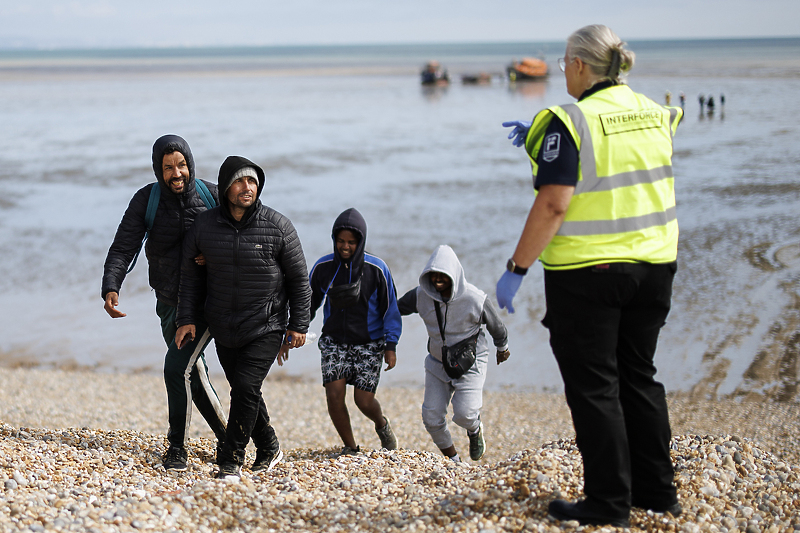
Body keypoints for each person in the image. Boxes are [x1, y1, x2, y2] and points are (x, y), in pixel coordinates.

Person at [499, 25, 683, 527]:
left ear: (581, 65)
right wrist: (541, 141)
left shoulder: (571, 118)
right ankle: (657, 493)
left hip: (590, 275)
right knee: (639, 377)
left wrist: (516, 269)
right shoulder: (654, 111)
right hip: (655, 267)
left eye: (563, 64)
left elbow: (555, 203)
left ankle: (608, 502)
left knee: (596, 387)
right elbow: (626, 157)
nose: (562, 72)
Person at [175, 156, 311, 479]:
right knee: (245, 389)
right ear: (225, 188)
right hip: (223, 325)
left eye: (252, 181)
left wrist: (298, 325)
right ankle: (269, 446)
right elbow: (189, 278)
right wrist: (186, 318)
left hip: (265, 324)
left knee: (246, 386)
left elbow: (299, 280)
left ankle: (231, 459)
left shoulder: (278, 226)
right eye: (239, 181)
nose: (247, 187)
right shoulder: (205, 227)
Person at [101, 134, 227, 471]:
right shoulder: (147, 200)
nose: (176, 173)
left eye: (181, 165)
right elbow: (123, 247)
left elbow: (246, 235)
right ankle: (230, 440)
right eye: (168, 167)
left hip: (205, 302)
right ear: (159, 169)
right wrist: (111, 285)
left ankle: (177, 447)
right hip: (168, 301)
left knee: (176, 368)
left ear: (190, 164)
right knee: (192, 372)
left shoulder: (212, 195)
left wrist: (213, 254)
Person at [398, 245, 510, 462]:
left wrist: (502, 348)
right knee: (431, 418)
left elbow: (497, 326)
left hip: (471, 361)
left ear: (455, 275)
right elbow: (394, 308)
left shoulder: (475, 298)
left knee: (465, 414)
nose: (438, 279)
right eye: (433, 274)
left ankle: (475, 430)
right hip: (437, 362)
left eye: (443, 274)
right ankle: (454, 461)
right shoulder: (420, 295)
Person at [308, 208, 401, 455]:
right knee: (335, 395)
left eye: (351, 242)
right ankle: (350, 447)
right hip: (334, 341)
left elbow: (391, 309)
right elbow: (307, 305)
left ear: (361, 242)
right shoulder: (323, 268)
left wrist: (391, 346)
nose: (345, 247)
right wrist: (292, 331)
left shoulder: (377, 268)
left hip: (369, 342)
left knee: (364, 401)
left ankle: (381, 425)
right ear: (334, 240)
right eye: (340, 241)